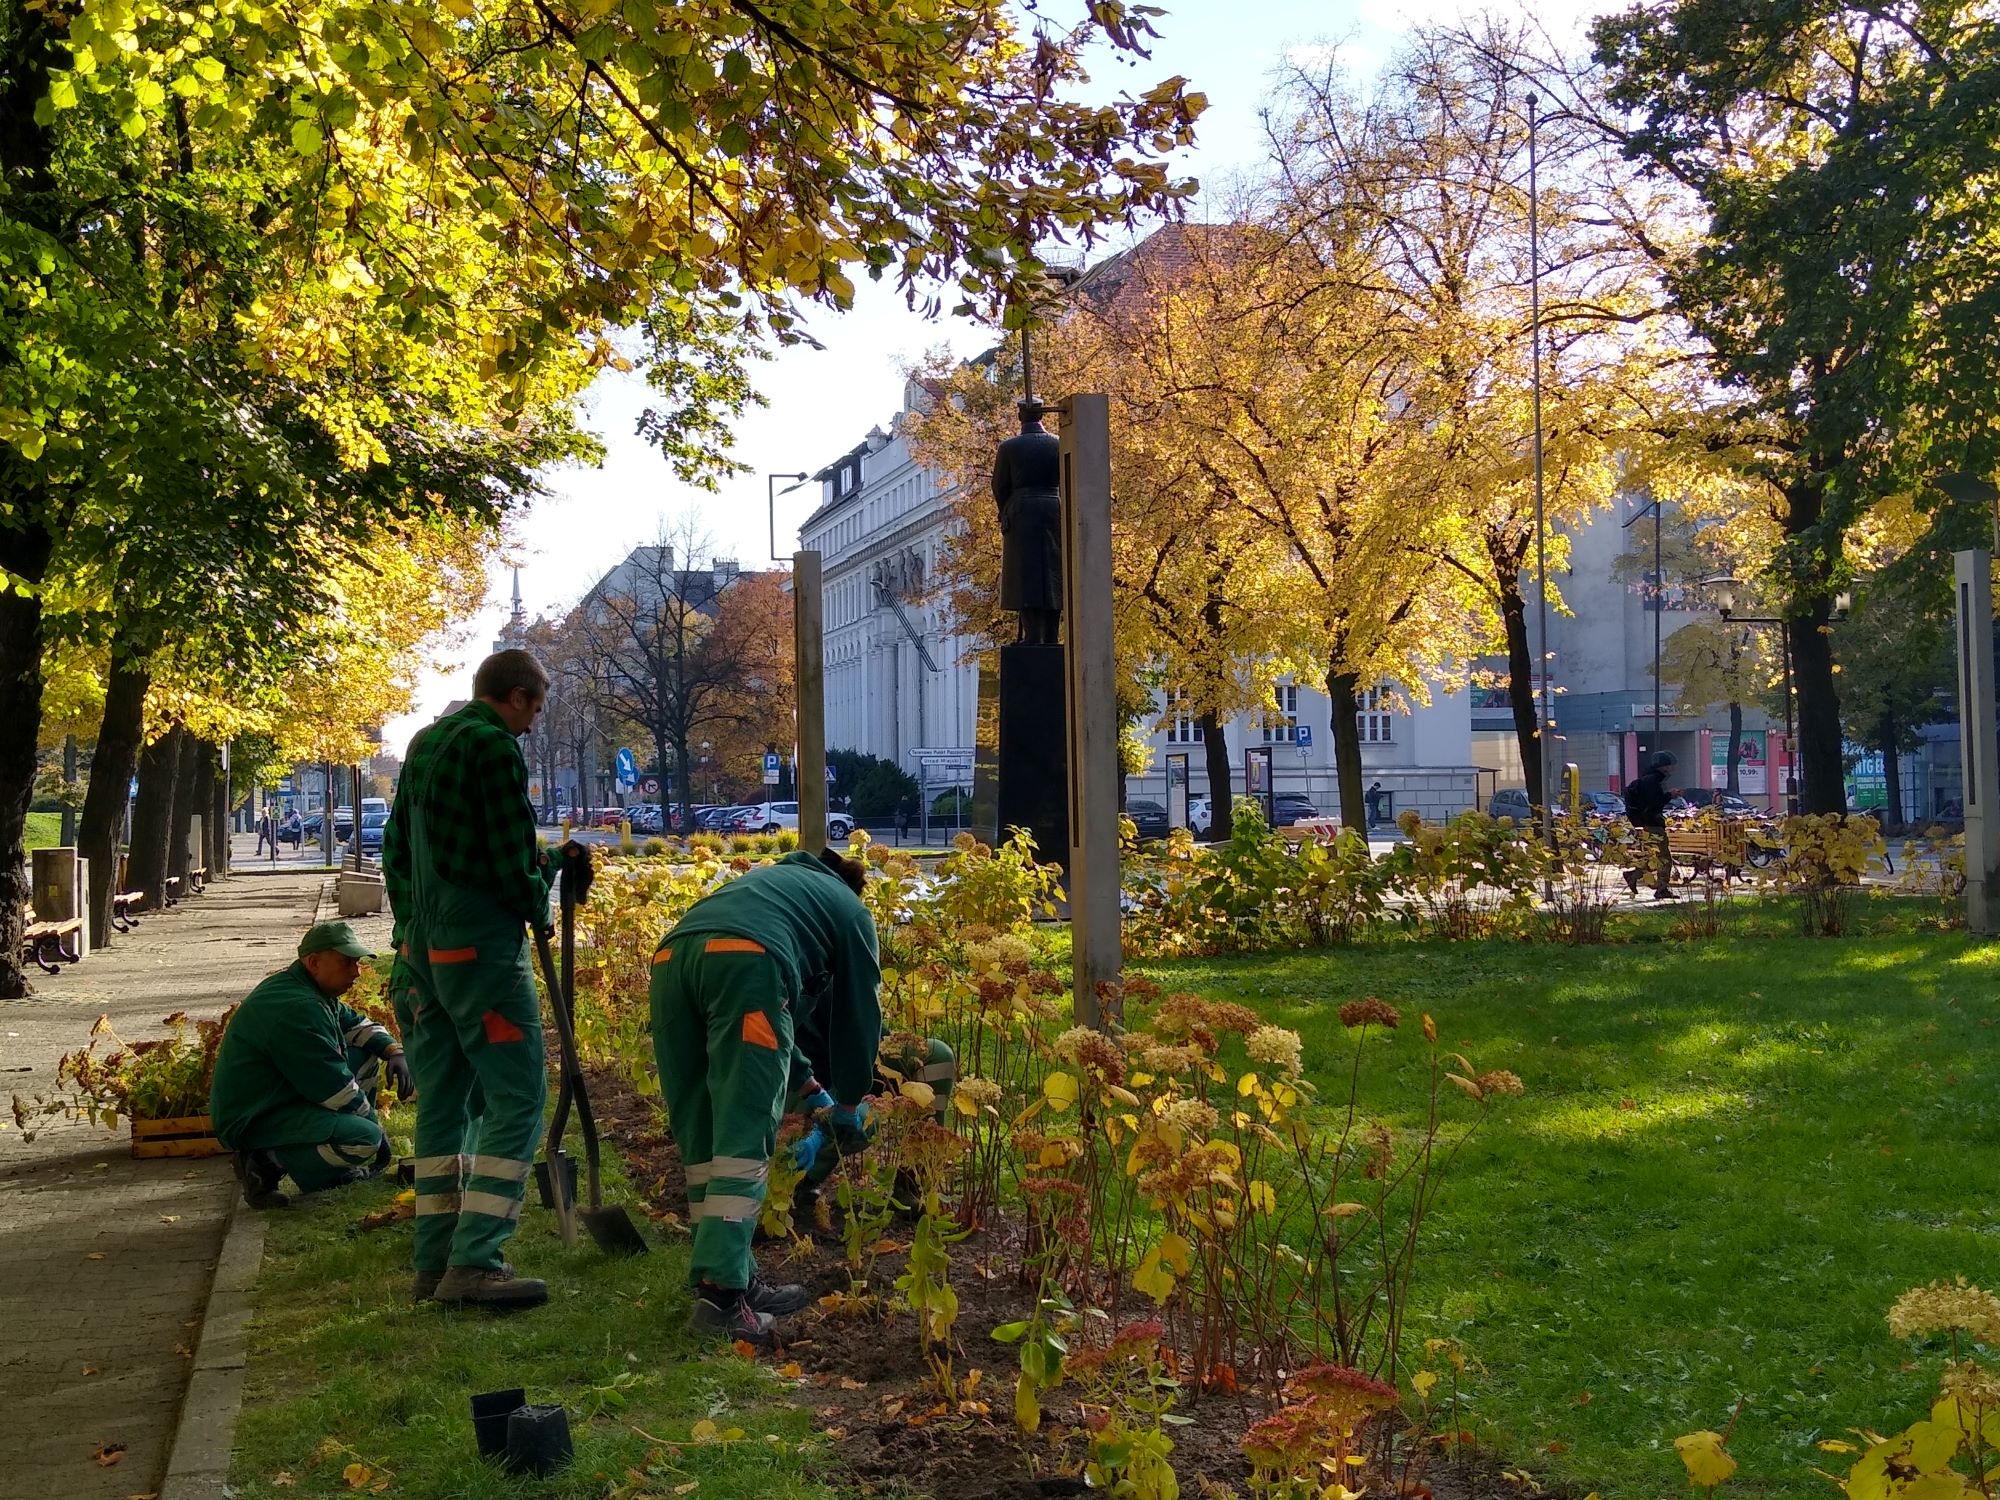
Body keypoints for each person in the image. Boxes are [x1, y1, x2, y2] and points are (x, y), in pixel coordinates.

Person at [649, 848, 882, 1345]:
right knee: (744, 1130)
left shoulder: (774, 885)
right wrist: (848, 1102)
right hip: (747, 963)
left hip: (671, 961)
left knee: (702, 1133)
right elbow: (859, 1016)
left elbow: (780, 1024)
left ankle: (732, 1272)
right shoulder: (850, 908)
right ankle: (722, 1299)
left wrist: (809, 1087)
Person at [383, 649, 557, 1310]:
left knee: (444, 1103)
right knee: (517, 1096)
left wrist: (412, 929)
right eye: (534, 709)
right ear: (513, 697)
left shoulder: (426, 744)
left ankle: (433, 1262)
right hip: (478, 954)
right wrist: (539, 894)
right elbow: (510, 853)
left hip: (420, 955)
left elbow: (396, 846)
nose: (533, 725)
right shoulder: (492, 747)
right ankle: (477, 1260)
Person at [210, 922, 410, 1209]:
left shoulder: (308, 990)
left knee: (365, 1055)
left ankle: (329, 1164)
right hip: (254, 1116)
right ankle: (264, 1163)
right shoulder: (299, 1008)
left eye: (357, 963)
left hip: (277, 1097)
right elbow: (335, 1088)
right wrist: (376, 1132)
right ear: (314, 962)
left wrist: (393, 1051)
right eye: (347, 963)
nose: (356, 972)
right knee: (363, 1138)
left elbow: (358, 1026)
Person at [1622, 750, 1677, 900]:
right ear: (1662, 767)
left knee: (1652, 856)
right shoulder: (1653, 782)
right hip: (1653, 824)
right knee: (1664, 858)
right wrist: (1670, 795)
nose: (1670, 770)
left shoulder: (1646, 780)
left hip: (1646, 824)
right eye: (1668, 766)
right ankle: (1662, 889)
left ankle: (1633, 875)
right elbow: (1655, 803)